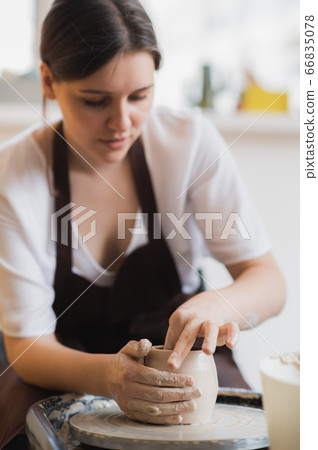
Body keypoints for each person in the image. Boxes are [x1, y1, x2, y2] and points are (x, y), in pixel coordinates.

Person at [0, 0, 285, 447]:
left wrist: (220, 305)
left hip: (182, 363)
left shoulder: (188, 141)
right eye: (95, 101)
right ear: (49, 82)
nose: (122, 122)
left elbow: (268, 282)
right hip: (64, 361)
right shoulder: (15, 174)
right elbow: (28, 347)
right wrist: (110, 377)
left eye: (140, 96)